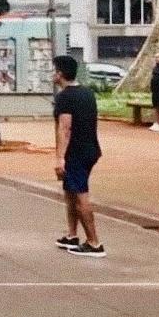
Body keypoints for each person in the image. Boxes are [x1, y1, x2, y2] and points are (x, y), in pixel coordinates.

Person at [52, 55, 105, 258]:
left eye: (54, 70)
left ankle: (94, 242)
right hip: (90, 149)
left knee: (80, 194)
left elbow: (65, 128)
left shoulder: (65, 97)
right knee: (70, 192)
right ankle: (72, 235)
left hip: (76, 152)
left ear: (60, 74)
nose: (53, 74)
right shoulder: (87, 93)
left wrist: (60, 158)